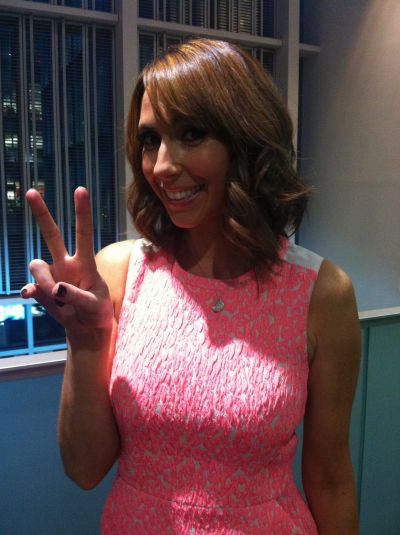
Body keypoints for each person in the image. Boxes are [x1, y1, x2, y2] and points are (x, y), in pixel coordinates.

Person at [22, 39, 361, 534]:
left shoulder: (321, 294)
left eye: (191, 133)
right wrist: (86, 341)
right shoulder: (120, 271)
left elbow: (330, 478)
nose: (161, 165)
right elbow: (84, 469)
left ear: (245, 139)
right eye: (150, 140)